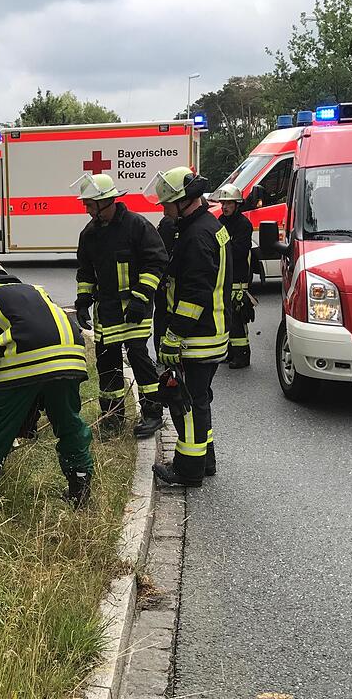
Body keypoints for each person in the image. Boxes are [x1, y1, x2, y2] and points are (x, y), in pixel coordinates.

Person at [0, 259, 94, 506]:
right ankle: (80, 484)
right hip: (72, 356)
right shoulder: (34, 290)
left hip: (27, 357)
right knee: (68, 421)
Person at [146, 167, 232, 487]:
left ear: (185, 201)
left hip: (197, 337)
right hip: (211, 332)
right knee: (199, 398)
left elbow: (194, 295)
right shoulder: (208, 226)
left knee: (187, 402)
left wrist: (173, 336)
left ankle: (188, 470)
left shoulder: (197, 236)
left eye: (168, 204)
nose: (164, 209)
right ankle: (205, 459)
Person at [72, 172, 168, 439]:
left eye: (90, 204)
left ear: (107, 201)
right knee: (107, 362)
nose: (87, 209)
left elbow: (156, 261)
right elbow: (86, 272)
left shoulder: (137, 226)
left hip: (135, 308)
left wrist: (140, 298)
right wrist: (82, 301)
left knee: (138, 356)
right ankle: (112, 417)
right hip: (107, 310)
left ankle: (152, 412)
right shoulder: (89, 234)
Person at [210, 183, 254, 368]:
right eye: (223, 203)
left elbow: (240, 251)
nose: (225, 206)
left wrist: (222, 249)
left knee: (238, 318)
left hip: (239, 279)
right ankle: (230, 352)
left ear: (237, 204)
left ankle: (242, 355)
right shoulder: (221, 221)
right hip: (225, 277)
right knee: (226, 317)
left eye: (229, 203)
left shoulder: (244, 224)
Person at [153, 201, 179, 352]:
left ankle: (160, 348)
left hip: (162, 279)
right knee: (165, 314)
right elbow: (166, 252)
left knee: (162, 315)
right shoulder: (169, 224)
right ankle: (162, 348)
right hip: (166, 281)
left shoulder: (166, 223)